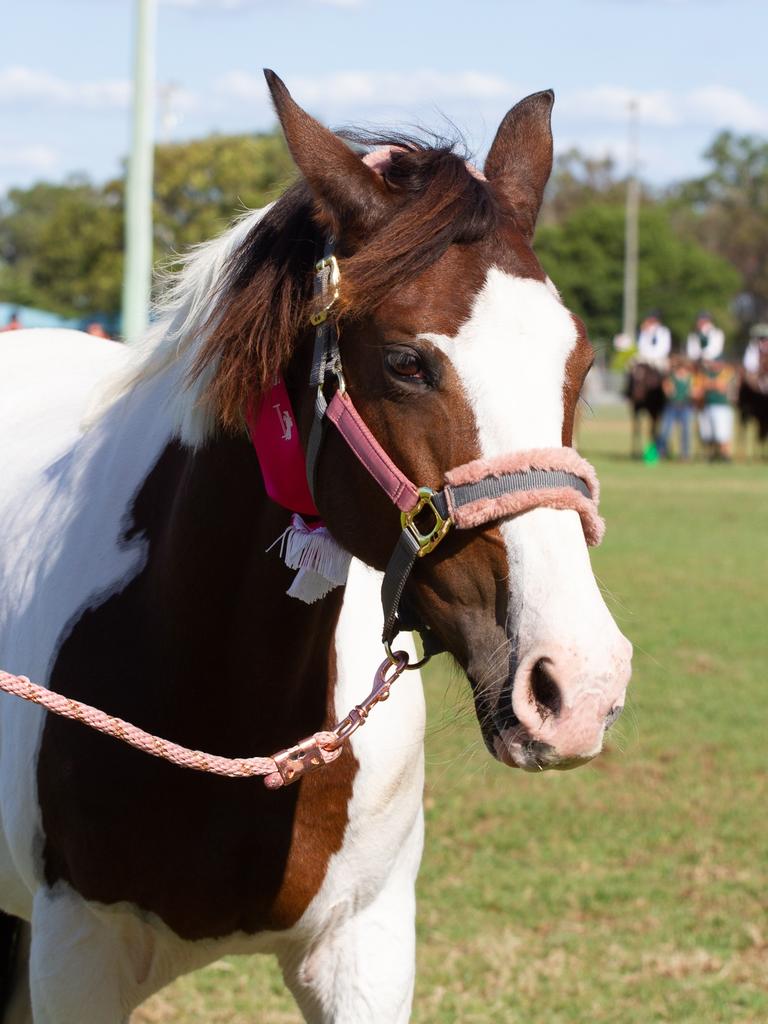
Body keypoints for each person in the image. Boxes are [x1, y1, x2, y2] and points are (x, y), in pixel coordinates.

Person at [694, 358, 736, 460]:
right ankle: (713, 455)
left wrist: (708, 384)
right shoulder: (705, 374)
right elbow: (696, 391)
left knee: (722, 434)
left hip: (722, 407)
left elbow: (722, 386)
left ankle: (725, 455)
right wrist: (711, 384)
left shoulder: (726, 372)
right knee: (708, 434)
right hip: (707, 406)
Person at [658, 356, 693, 459]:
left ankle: (685, 454)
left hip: (685, 406)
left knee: (686, 431)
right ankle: (662, 452)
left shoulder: (690, 378)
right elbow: (667, 391)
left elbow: (692, 392)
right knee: (665, 430)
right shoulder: (671, 377)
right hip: (672, 406)